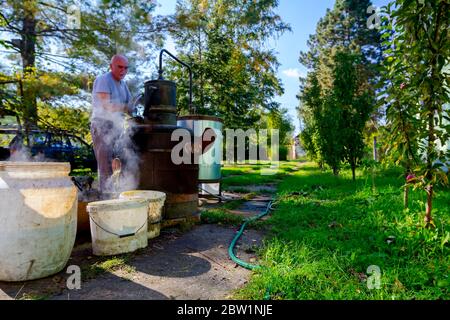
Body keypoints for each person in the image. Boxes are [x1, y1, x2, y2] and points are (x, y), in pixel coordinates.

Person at [91, 54, 133, 192]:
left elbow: (131, 105)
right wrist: (126, 108)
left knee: (121, 163)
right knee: (105, 166)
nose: (123, 71)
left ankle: (118, 194)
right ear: (111, 66)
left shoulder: (123, 85)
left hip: (117, 128)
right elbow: (107, 106)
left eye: (126, 68)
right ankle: (105, 199)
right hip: (102, 126)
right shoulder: (103, 80)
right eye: (119, 67)